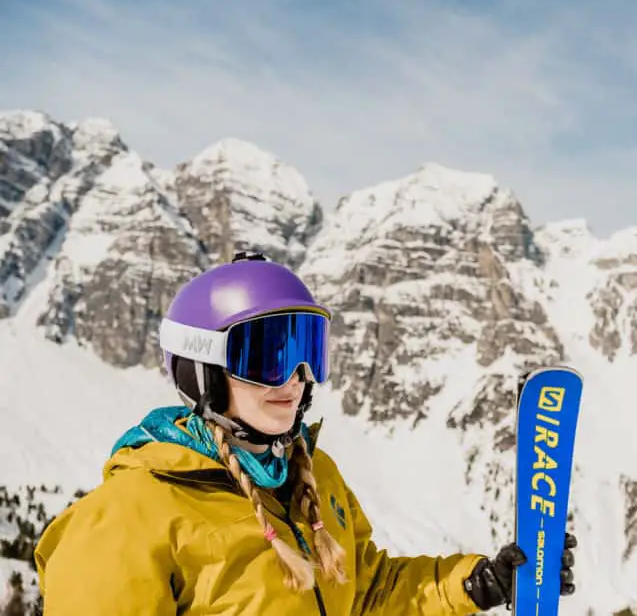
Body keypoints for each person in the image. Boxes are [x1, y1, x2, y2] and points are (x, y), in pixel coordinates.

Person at [34, 251, 577, 615]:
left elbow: (367, 594)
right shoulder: (123, 519)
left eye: (307, 350)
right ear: (202, 369)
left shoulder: (313, 479)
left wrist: (475, 584)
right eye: (268, 354)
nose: (295, 379)